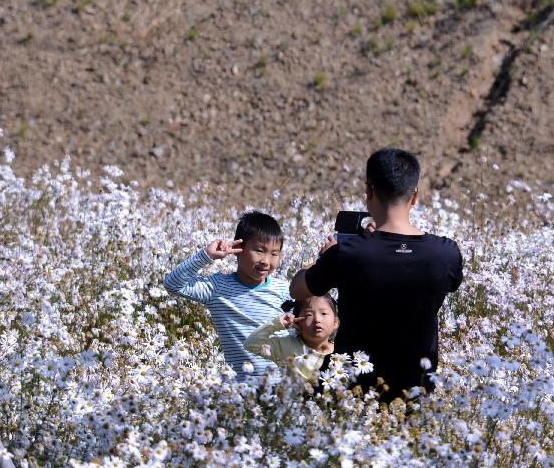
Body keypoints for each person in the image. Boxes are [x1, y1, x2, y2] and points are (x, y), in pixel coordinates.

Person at [289, 148, 463, 402]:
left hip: (354, 389)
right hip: (416, 389)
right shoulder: (445, 253)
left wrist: (324, 258)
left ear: (369, 191)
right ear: (414, 196)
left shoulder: (347, 254)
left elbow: (298, 290)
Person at [164, 211, 291, 381]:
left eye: (274, 253)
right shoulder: (217, 288)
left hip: (283, 388)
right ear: (238, 249)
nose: (266, 261)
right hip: (240, 391)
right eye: (259, 250)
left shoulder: (284, 290)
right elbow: (173, 284)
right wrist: (206, 256)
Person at [244, 295, 339, 385]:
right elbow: (252, 345)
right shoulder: (286, 346)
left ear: (335, 322)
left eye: (323, 313)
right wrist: (276, 324)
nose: (317, 319)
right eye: (309, 315)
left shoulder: (341, 352)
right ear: (297, 323)